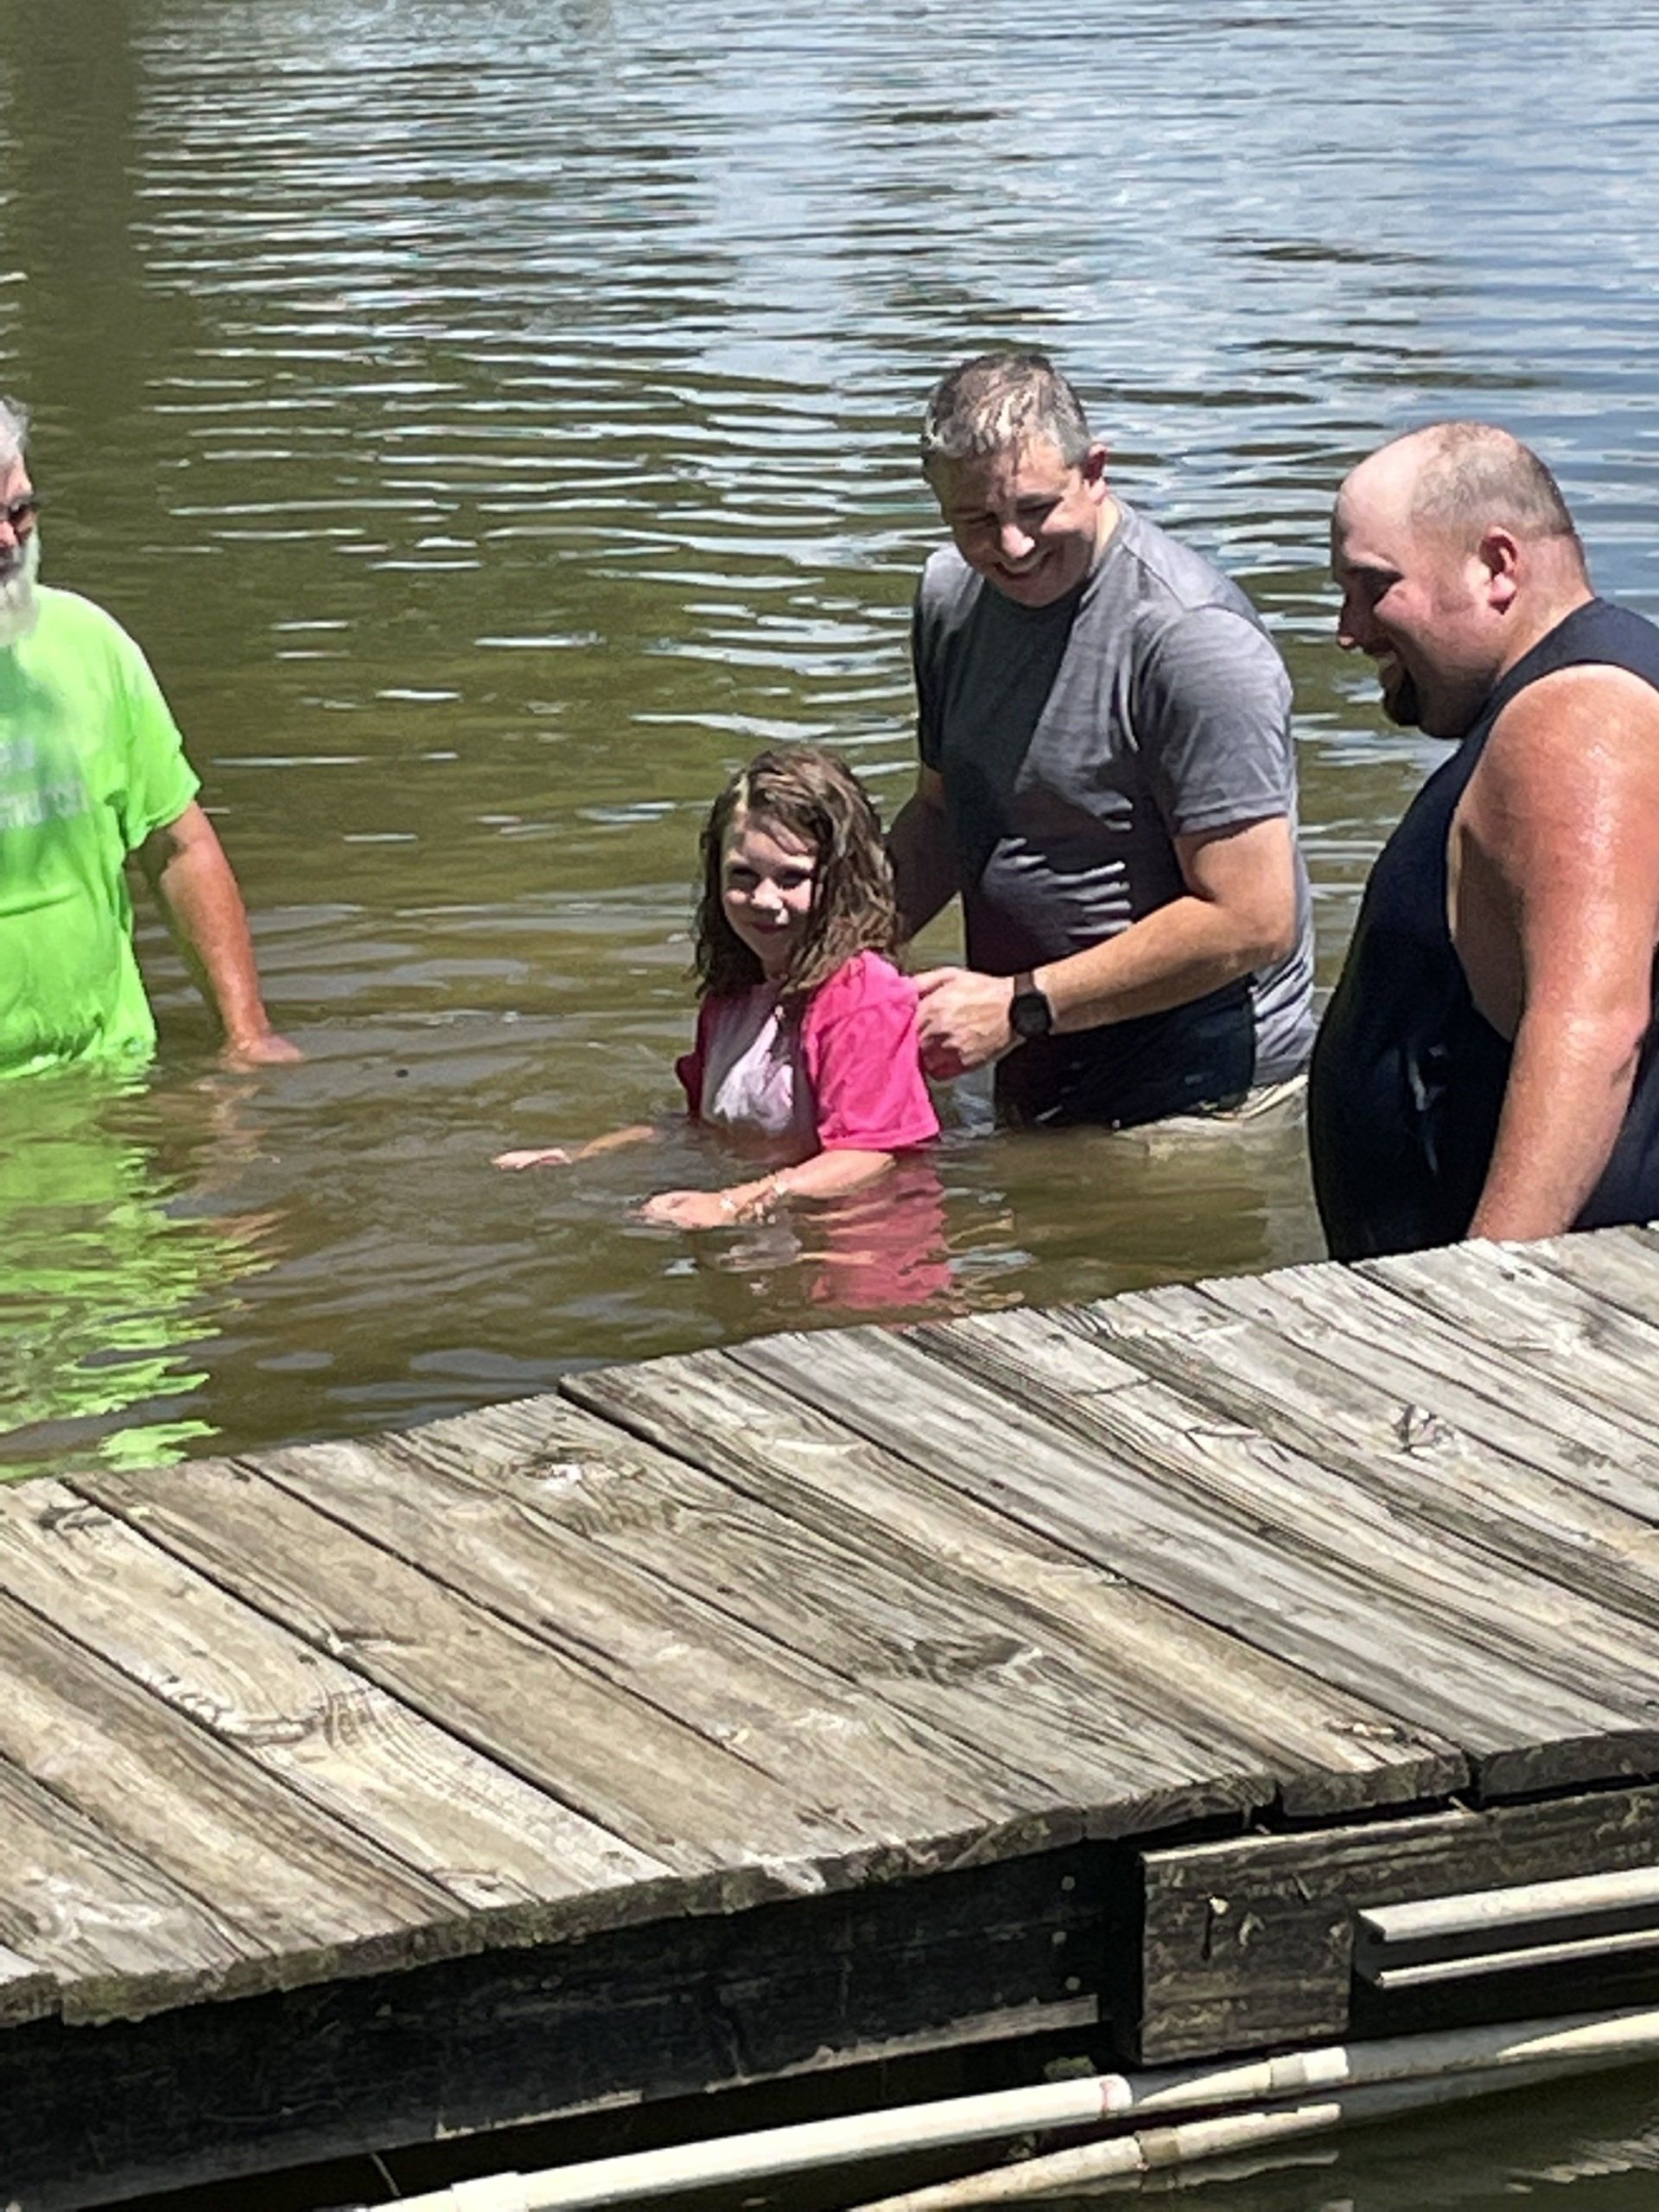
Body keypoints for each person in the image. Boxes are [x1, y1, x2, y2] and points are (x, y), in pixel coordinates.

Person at [887, 350, 1313, 1131]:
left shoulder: (1192, 640)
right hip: (1033, 1057)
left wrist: (1021, 1005)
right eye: (977, 520)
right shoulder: (950, 600)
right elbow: (942, 816)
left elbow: (1252, 919)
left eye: (1035, 508)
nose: (1012, 546)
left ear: (1095, 472)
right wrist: (826, 960)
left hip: (1198, 1100)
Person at [1310, 422, 1659, 1260]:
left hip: (1550, 1306)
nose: (1349, 630)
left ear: (1497, 565)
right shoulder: (1579, 692)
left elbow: (1593, 1031)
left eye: (1374, 585)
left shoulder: (1576, 721)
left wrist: (1484, 1288)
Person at [494, 744, 939, 1230]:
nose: (764, 900)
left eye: (792, 878)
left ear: (840, 883)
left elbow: (870, 1155)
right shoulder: (733, 995)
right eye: (743, 875)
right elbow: (701, 1128)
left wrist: (732, 1203)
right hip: (769, 1223)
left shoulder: (864, 994)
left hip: (859, 1237)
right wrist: (579, 1156)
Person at [0, 398, 297, 1077]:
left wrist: (247, 1034)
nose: (9, 541)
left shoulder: (90, 646)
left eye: (19, 511)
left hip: (111, 1079)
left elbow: (178, 846)